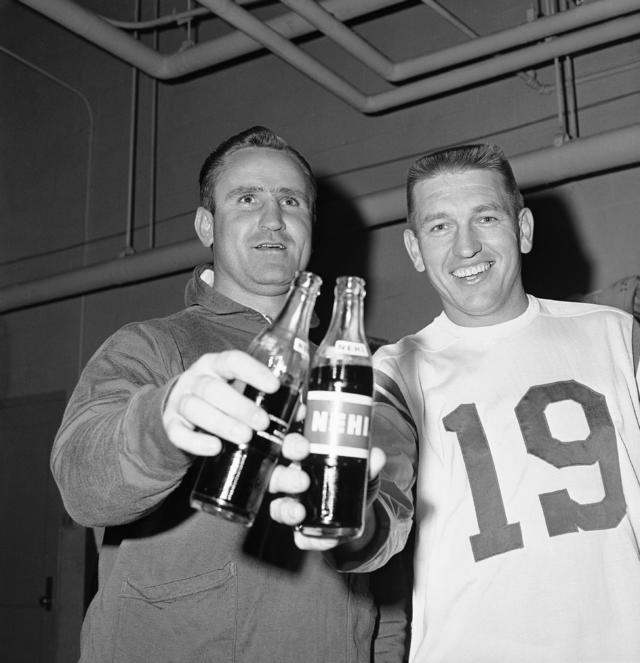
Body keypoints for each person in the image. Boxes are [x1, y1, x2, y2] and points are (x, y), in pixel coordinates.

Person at [51, 126, 414, 663]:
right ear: (207, 225)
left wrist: (359, 525)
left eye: (291, 202)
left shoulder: (362, 371)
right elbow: (82, 483)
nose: (273, 219)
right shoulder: (152, 345)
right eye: (247, 199)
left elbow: (389, 543)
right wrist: (163, 425)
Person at [372, 143, 640, 662]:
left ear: (524, 229)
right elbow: (374, 520)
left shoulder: (617, 336)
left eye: (486, 217)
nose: (465, 247)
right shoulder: (395, 370)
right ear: (414, 249)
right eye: (439, 226)